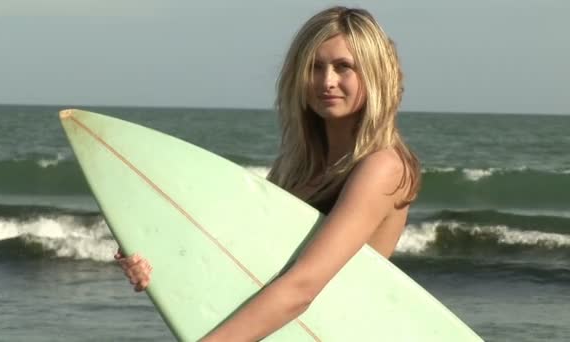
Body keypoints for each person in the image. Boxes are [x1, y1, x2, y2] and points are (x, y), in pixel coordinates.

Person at [115, 5, 421, 341]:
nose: (326, 81)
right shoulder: (298, 166)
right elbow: (249, 261)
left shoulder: (384, 168)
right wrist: (157, 264)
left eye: (343, 67)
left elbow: (302, 287)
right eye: (315, 67)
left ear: (374, 74)